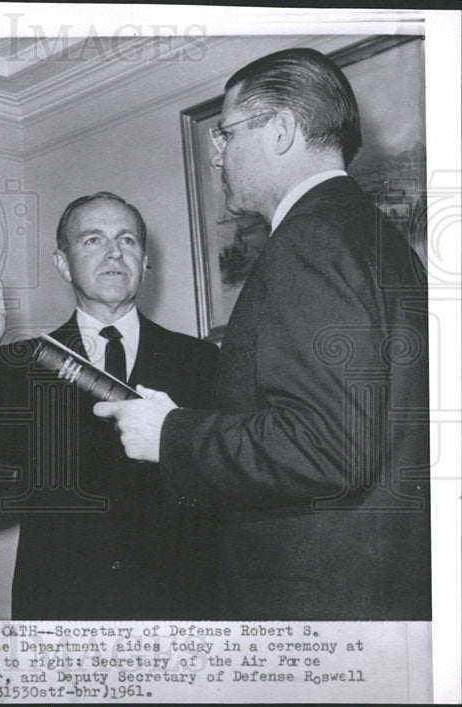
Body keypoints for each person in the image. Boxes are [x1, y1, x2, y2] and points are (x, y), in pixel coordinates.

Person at [94, 48, 430, 620]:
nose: (216, 155)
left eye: (225, 133)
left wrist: (171, 435)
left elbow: (330, 447)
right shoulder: (374, 236)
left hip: (316, 605)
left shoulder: (310, 241)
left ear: (280, 131)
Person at [0, 192, 220, 619]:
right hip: (62, 611)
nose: (114, 252)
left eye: (128, 240)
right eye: (93, 240)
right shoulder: (23, 363)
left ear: (146, 261)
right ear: (62, 263)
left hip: (175, 608)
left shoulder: (202, 362)